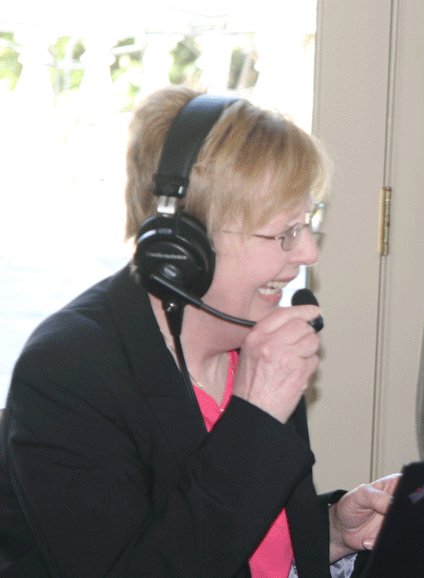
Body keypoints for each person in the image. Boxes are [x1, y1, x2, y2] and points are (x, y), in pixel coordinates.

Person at [0, 86, 400, 577]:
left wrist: (332, 532)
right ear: (185, 244)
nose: (308, 253)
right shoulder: (70, 374)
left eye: (308, 222)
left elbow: (243, 538)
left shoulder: (253, 340)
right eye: (285, 233)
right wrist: (255, 419)